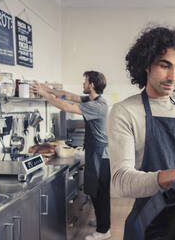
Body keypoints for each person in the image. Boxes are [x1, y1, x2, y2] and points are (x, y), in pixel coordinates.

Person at [107, 26, 175, 240]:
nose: (173, 77)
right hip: (149, 224)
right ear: (146, 65)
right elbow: (120, 180)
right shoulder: (125, 111)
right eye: (165, 66)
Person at [31, 71, 111, 240]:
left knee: (99, 192)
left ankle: (104, 231)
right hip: (95, 152)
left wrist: (45, 94)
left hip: (100, 155)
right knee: (95, 190)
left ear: (92, 85)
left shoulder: (97, 105)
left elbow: (66, 106)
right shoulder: (92, 100)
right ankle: (102, 222)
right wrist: (48, 88)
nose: (83, 84)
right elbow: (68, 96)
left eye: (85, 81)